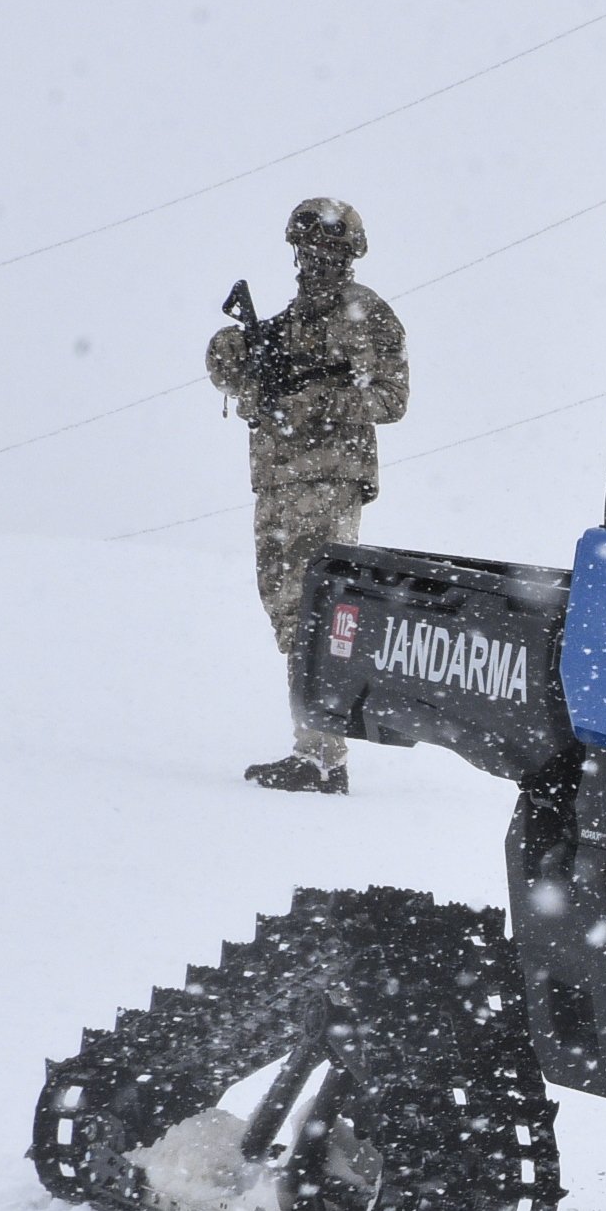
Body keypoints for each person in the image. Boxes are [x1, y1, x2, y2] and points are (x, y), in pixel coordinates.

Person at [208, 199, 409, 795]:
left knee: (316, 613)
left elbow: (392, 399)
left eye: (330, 252)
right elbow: (244, 382)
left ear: (349, 256)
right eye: (309, 251)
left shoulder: (366, 314)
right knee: (286, 611)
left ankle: (322, 754)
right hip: (278, 480)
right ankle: (316, 747)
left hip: (325, 482)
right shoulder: (287, 322)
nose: (316, 263)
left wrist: (318, 401)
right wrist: (232, 357)